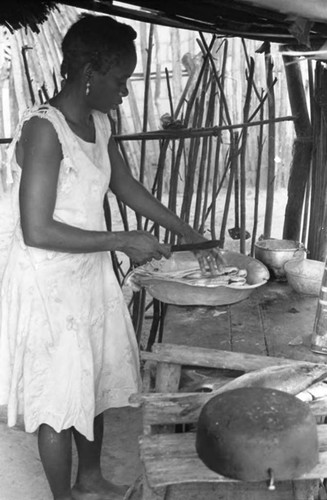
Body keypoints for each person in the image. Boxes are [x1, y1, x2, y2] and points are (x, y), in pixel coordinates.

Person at [0, 14, 223, 500]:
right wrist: (121, 241)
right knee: (58, 396)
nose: (125, 91)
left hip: (86, 271)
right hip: (47, 282)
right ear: (89, 74)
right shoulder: (44, 130)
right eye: (121, 80)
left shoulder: (98, 123)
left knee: (92, 378)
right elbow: (36, 230)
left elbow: (124, 185)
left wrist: (189, 233)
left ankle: (91, 479)